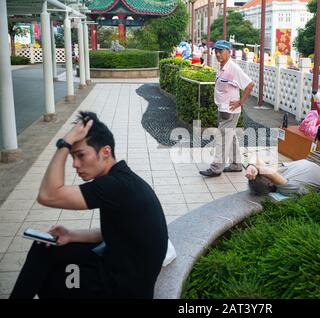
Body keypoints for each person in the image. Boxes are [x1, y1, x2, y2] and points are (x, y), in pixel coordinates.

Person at [10, 111, 168, 299]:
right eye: (72, 156)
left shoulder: (114, 186)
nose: (75, 164)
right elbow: (116, 232)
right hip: (120, 266)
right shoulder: (121, 178)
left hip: (123, 287)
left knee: (51, 278)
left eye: (81, 155)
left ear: (106, 152)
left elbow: (48, 195)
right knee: (45, 247)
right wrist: (71, 234)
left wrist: (64, 142)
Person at [199, 40, 255, 177]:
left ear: (229, 52)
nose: (218, 54)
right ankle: (236, 164)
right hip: (223, 109)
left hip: (230, 111)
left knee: (223, 139)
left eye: (221, 51)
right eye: (216, 51)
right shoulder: (223, 67)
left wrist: (241, 102)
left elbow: (250, 84)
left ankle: (216, 168)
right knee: (231, 136)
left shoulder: (233, 68)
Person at [245, 151, 320, 196]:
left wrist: (251, 166)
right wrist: (255, 167)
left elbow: (255, 158)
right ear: (270, 182)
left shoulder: (280, 173)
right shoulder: (286, 188)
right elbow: (271, 173)